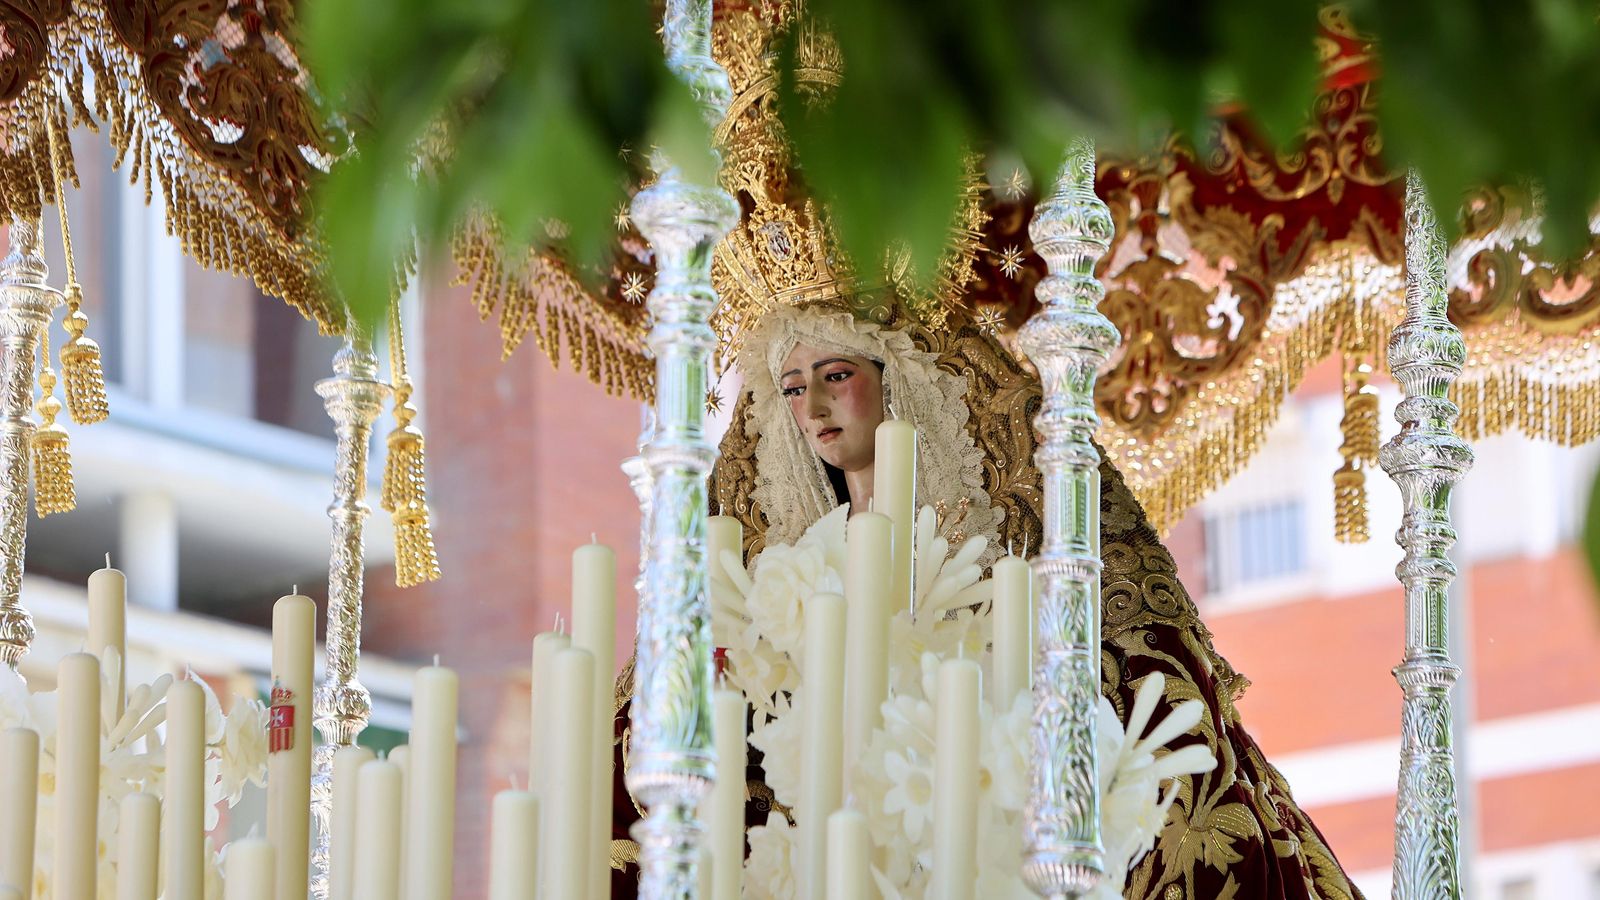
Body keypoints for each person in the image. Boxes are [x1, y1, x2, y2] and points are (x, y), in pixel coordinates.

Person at [608, 298, 1363, 899]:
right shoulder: (786, 572)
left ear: (896, 375)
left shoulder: (997, 537)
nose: (813, 410)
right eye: (795, 389)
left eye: (836, 375)